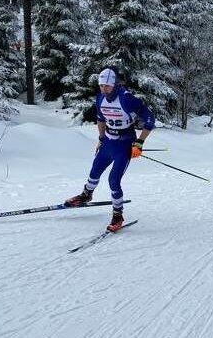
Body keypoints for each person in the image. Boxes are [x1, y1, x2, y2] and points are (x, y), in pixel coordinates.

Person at [64, 68, 155, 232]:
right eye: (101, 86)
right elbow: (100, 118)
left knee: (113, 180)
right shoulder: (100, 98)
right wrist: (100, 138)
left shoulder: (126, 99)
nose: (104, 89)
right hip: (108, 141)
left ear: (115, 84)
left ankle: (118, 215)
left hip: (125, 143)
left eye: (107, 86)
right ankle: (86, 195)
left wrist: (140, 143)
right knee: (94, 170)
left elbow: (149, 118)